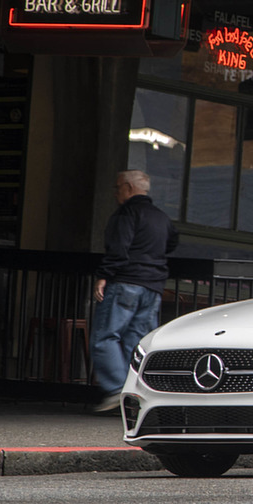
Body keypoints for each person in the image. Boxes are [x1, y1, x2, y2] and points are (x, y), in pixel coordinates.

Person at [90, 170, 178, 413]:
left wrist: (103, 275)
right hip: (153, 286)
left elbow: (119, 248)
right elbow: (172, 243)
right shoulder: (161, 217)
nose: (116, 192)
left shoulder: (127, 213)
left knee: (105, 336)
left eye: (118, 187)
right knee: (136, 342)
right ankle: (137, 393)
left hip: (126, 282)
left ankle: (118, 389)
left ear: (128, 188)